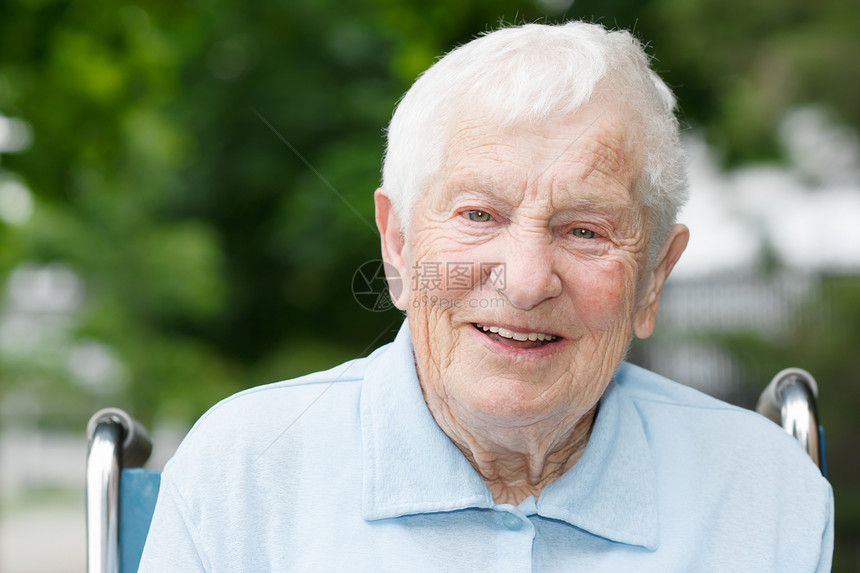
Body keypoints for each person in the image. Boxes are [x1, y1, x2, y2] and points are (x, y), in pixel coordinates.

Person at [139, 21, 833, 571]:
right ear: (399, 245)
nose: (527, 280)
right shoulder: (243, 472)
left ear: (653, 276)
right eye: (479, 215)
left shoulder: (765, 493)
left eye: (585, 229)